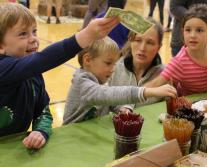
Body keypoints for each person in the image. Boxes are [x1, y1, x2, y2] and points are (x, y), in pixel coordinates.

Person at [0, 3, 119, 149]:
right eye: (23, 34)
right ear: (1, 46)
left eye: (34, 32)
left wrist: (40, 131)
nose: (33, 39)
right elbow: (43, 59)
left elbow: (43, 111)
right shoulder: (2, 68)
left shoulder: (34, 76)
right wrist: (86, 35)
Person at [62, 37, 177, 124]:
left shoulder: (98, 80)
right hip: (71, 138)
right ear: (87, 60)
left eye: (114, 64)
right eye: (108, 63)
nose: (113, 69)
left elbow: (108, 103)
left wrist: (123, 108)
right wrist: (150, 91)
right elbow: (108, 95)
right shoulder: (82, 83)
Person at [145, 4, 207, 95]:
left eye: (199, 30)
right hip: (189, 105)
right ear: (183, 32)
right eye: (188, 30)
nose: (192, 35)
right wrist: (132, 97)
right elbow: (155, 83)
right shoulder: (179, 62)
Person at [108, 18, 165, 111]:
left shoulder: (165, 76)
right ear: (130, 40)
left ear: (159, 46)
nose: (142, 48)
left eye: (150, 43)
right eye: (138, 40)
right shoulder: (113, 69)